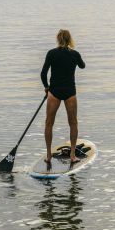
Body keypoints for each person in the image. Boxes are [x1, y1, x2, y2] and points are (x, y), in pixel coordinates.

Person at [40, 29, 86, 168]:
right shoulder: (75, 54)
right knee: (73, 123)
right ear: (70, 39)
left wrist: (47, 87)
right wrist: (76, 58)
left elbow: (43, 74)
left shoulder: (51, 53)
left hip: (54, 92)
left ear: (58, 39)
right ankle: (72, 155)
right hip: (70, 92)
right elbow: (83, 66)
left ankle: (48, 155)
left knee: (49, 123)